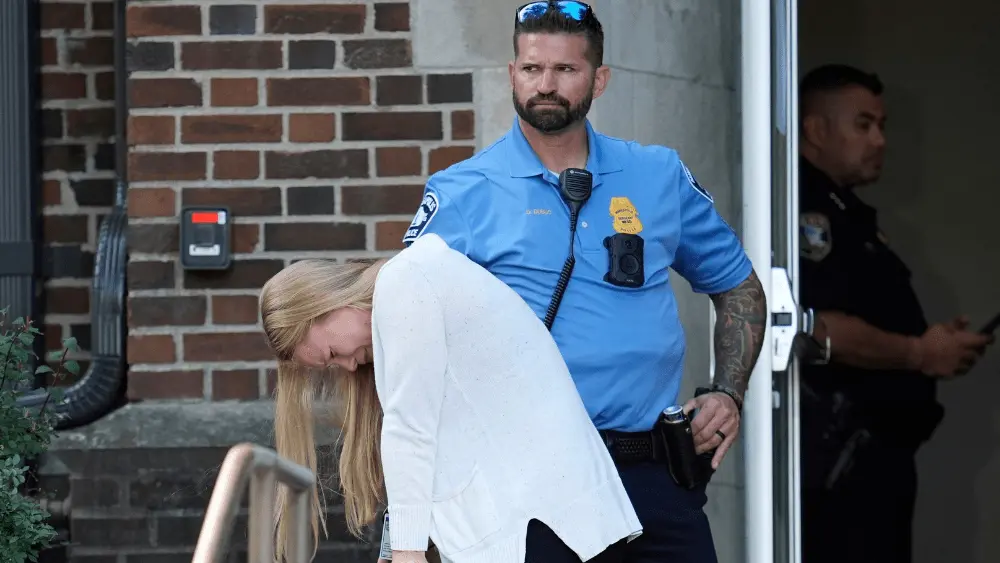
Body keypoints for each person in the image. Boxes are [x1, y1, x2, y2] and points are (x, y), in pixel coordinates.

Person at [399, 2, 768, 562]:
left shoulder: (658, 173)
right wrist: (404, 526)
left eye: (566, 70)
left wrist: (727, 392)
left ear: (600, 78)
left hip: (653, 476)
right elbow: (404, 340)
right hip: (531, 484)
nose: (545, 85)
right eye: (531, 69)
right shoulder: (461, 192)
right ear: (512, 73)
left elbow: (737, 285)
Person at [260, 232, 643, 563]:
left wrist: (407, 553)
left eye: (330, 353)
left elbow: (411, 428)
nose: (345, 366)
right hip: (547, 523)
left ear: (325, 303)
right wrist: (398, 546)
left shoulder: (404, 283)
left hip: (539, 530)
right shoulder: (417, 282)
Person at [796, 64, 994, 563]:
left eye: (882, 125)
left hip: (871, 465)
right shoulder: (803, 208)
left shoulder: (847, 213)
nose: (880, 139)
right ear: (816, 130)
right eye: (863, 125)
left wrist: (931, 346)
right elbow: (814, 326)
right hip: (840, 465)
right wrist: (920, 354)